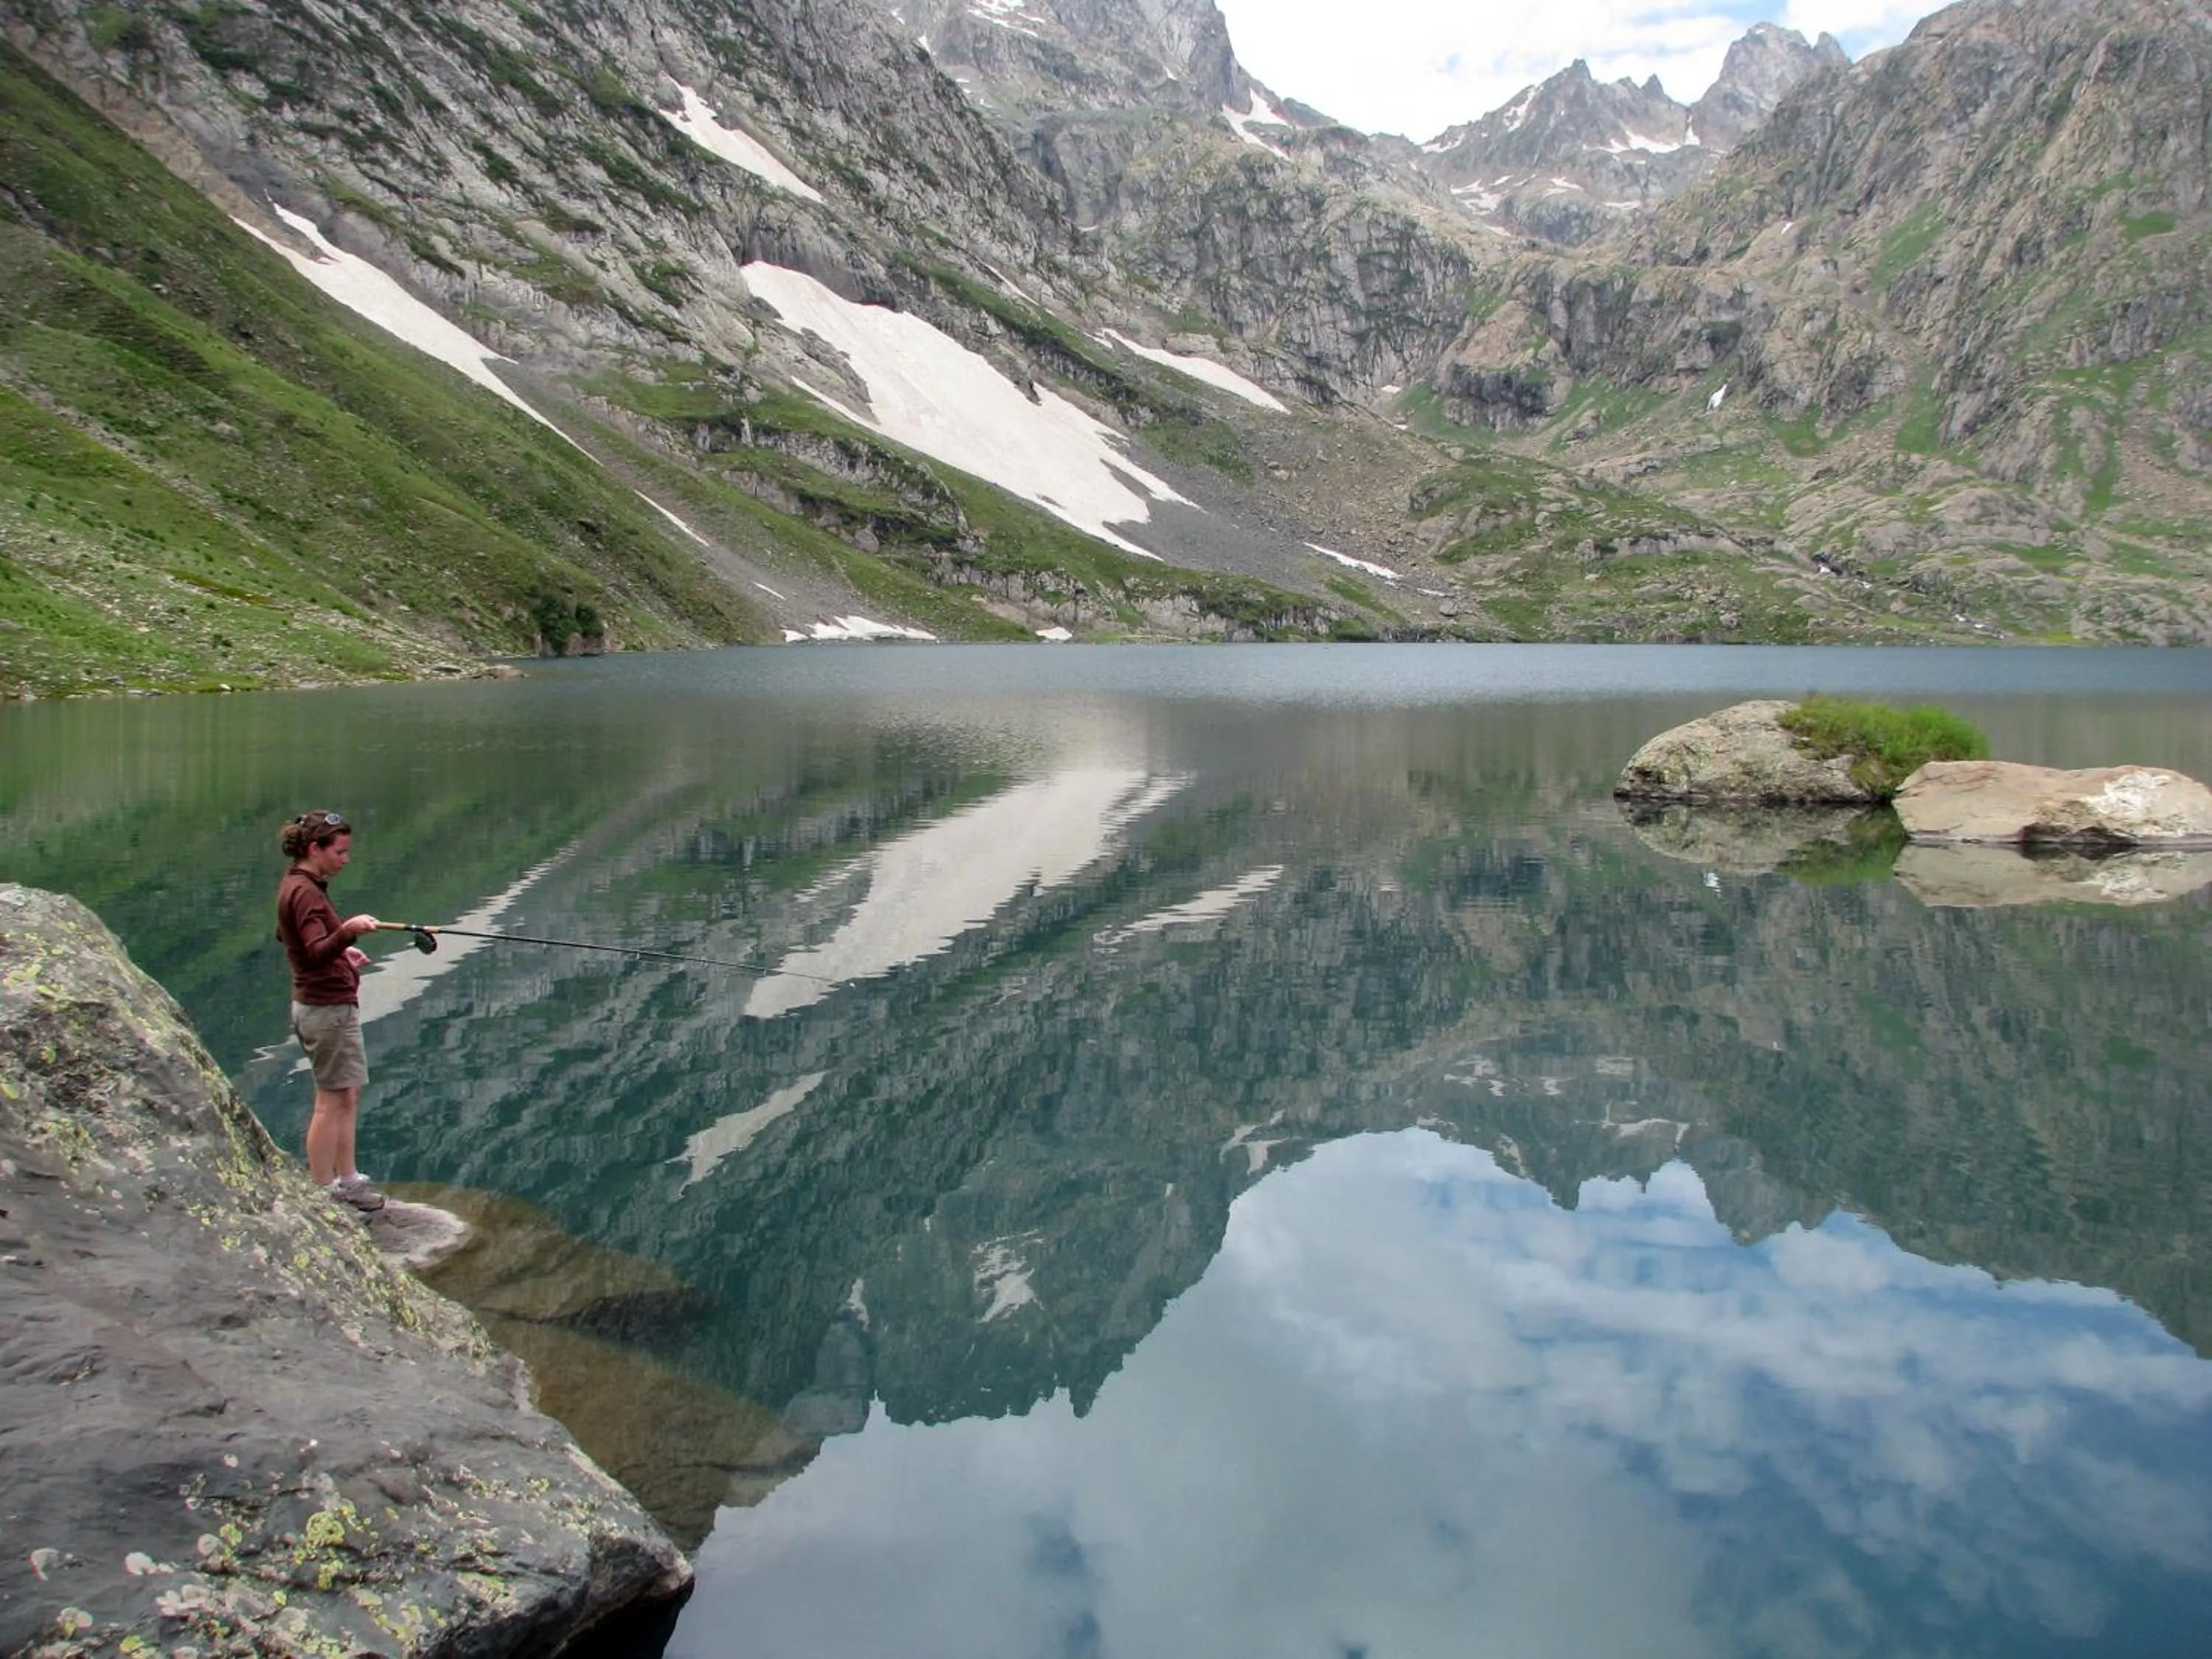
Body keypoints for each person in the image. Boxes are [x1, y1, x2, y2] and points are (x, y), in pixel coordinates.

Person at [274, 810, 386, 1214]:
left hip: (326, 1004)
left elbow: (293, 941)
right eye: (339, 852)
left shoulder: (301, 885)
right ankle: (324, 1192)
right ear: (313, 849)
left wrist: (343, 950)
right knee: (330, 1101)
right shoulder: (304, 892)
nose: (346, 859)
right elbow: (315, 949)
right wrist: (349, 931)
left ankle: (349, 1179)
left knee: (347, 1095)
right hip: (325, 1010)